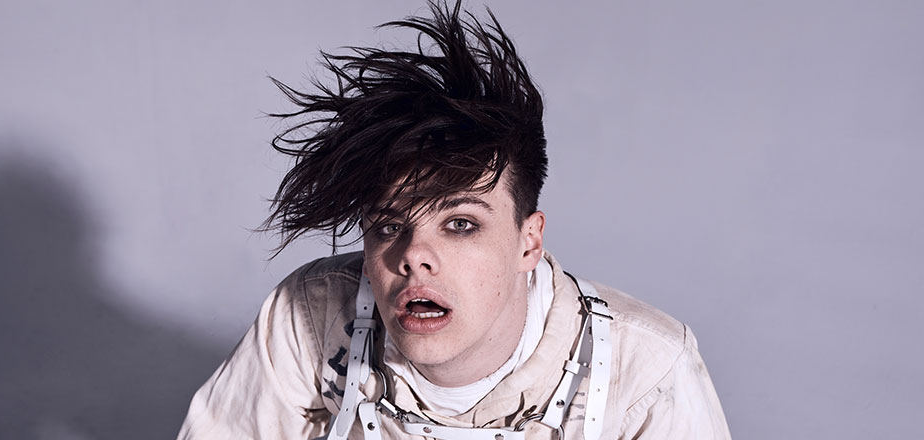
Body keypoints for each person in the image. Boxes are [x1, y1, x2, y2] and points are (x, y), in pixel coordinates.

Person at [178, 1, 731, 439]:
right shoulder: (311, 315)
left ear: (528, 242)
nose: (413, 256)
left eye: (460, 224)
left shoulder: (649, 369)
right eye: (389, 226)